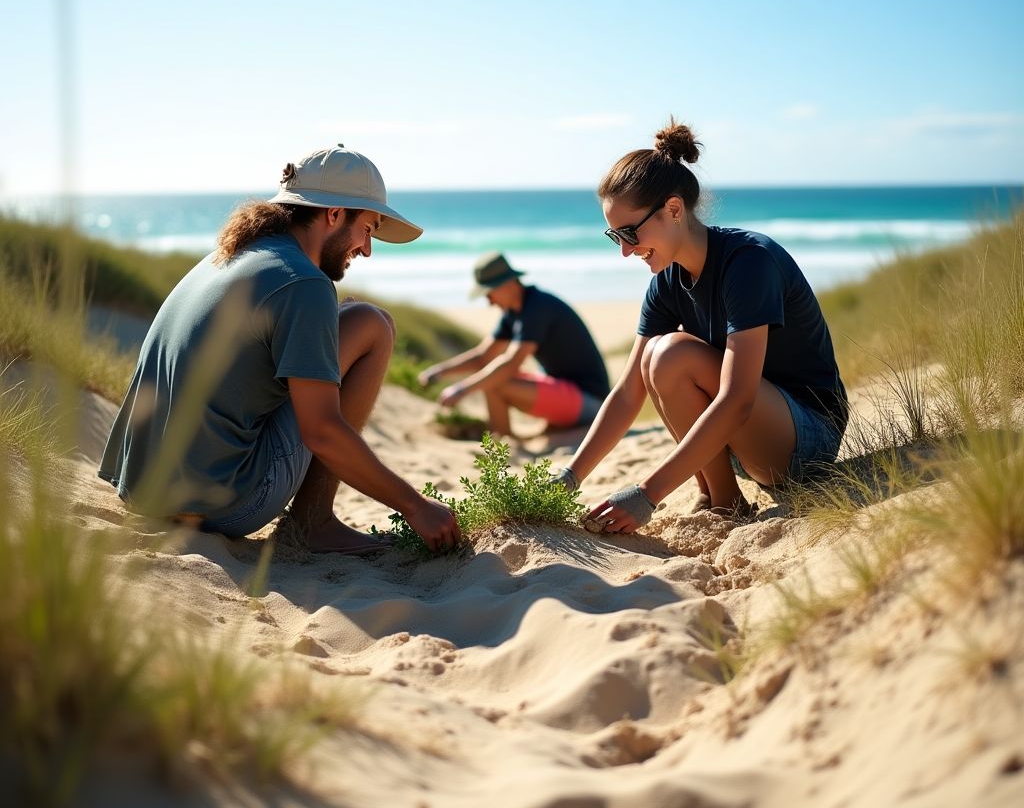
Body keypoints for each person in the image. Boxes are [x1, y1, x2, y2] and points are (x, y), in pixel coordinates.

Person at [99, 144, 461, 554]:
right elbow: (321, 431)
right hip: (221, 506)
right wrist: (415, 507)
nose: (367, 248)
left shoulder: (229, 257)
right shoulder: (304, 283)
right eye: (370, 228)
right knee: (371, 324)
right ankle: (315, 523)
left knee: (350, 320)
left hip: (143, 492)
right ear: (335, 214)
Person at [552, 118, 849, 531]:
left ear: (673, 209)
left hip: (807, 440)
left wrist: (647, 495)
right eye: (613, 235)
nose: (624, 250)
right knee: (655, 357)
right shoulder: (667, 282)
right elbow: (626, 394)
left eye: (629, 233)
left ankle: (723, 502)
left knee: (671, 354)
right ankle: (723, 500)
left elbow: (738, 398)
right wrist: (568, 478)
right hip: (749, 441)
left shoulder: (748, 263)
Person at [418, 252, 610, 437]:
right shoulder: (515, 311)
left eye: (489, 293)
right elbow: (484, 356)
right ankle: (503, 439)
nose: (489, 302)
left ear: (507, 284)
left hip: (591, 403)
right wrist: (438, 372)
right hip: (567, 395)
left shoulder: (537, 307)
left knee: (496, 380)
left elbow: (511, 362)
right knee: (493, 375)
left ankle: (503, 444)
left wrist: (462, 389)